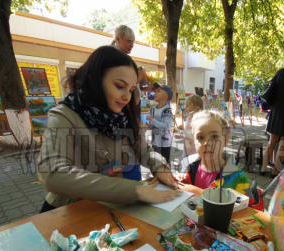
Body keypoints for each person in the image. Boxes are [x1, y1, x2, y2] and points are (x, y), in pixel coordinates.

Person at [38, 46, 179, 212]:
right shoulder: (65, 115)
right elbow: (51, 172)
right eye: (120, 86)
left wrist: (159, 165)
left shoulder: (123, 114)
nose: (126, 97)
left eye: (131, 90)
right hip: (69, 212)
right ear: (94, 80)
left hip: (110, 209)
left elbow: (144, 151)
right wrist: (134, 190)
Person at [177, 110, 251, 198]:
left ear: (226, 139)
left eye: (214, 137)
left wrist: (194, 191)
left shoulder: (238, 177)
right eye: (200, 137)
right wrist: (180, 181)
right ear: (194, 141)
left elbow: (245, 208)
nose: (207, 143)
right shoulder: (188, 167)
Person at [146, 83, 174, 163]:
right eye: (155, 91)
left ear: (166, 96)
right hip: (155, 142)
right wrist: (149, 126)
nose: (155, 93)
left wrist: (152, 120)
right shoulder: (153, 109)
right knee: (155, 163)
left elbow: (166, 126)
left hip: (164, 144)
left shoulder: (167, 110)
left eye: (159, 91)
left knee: (164, 164)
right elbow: (153, 124)